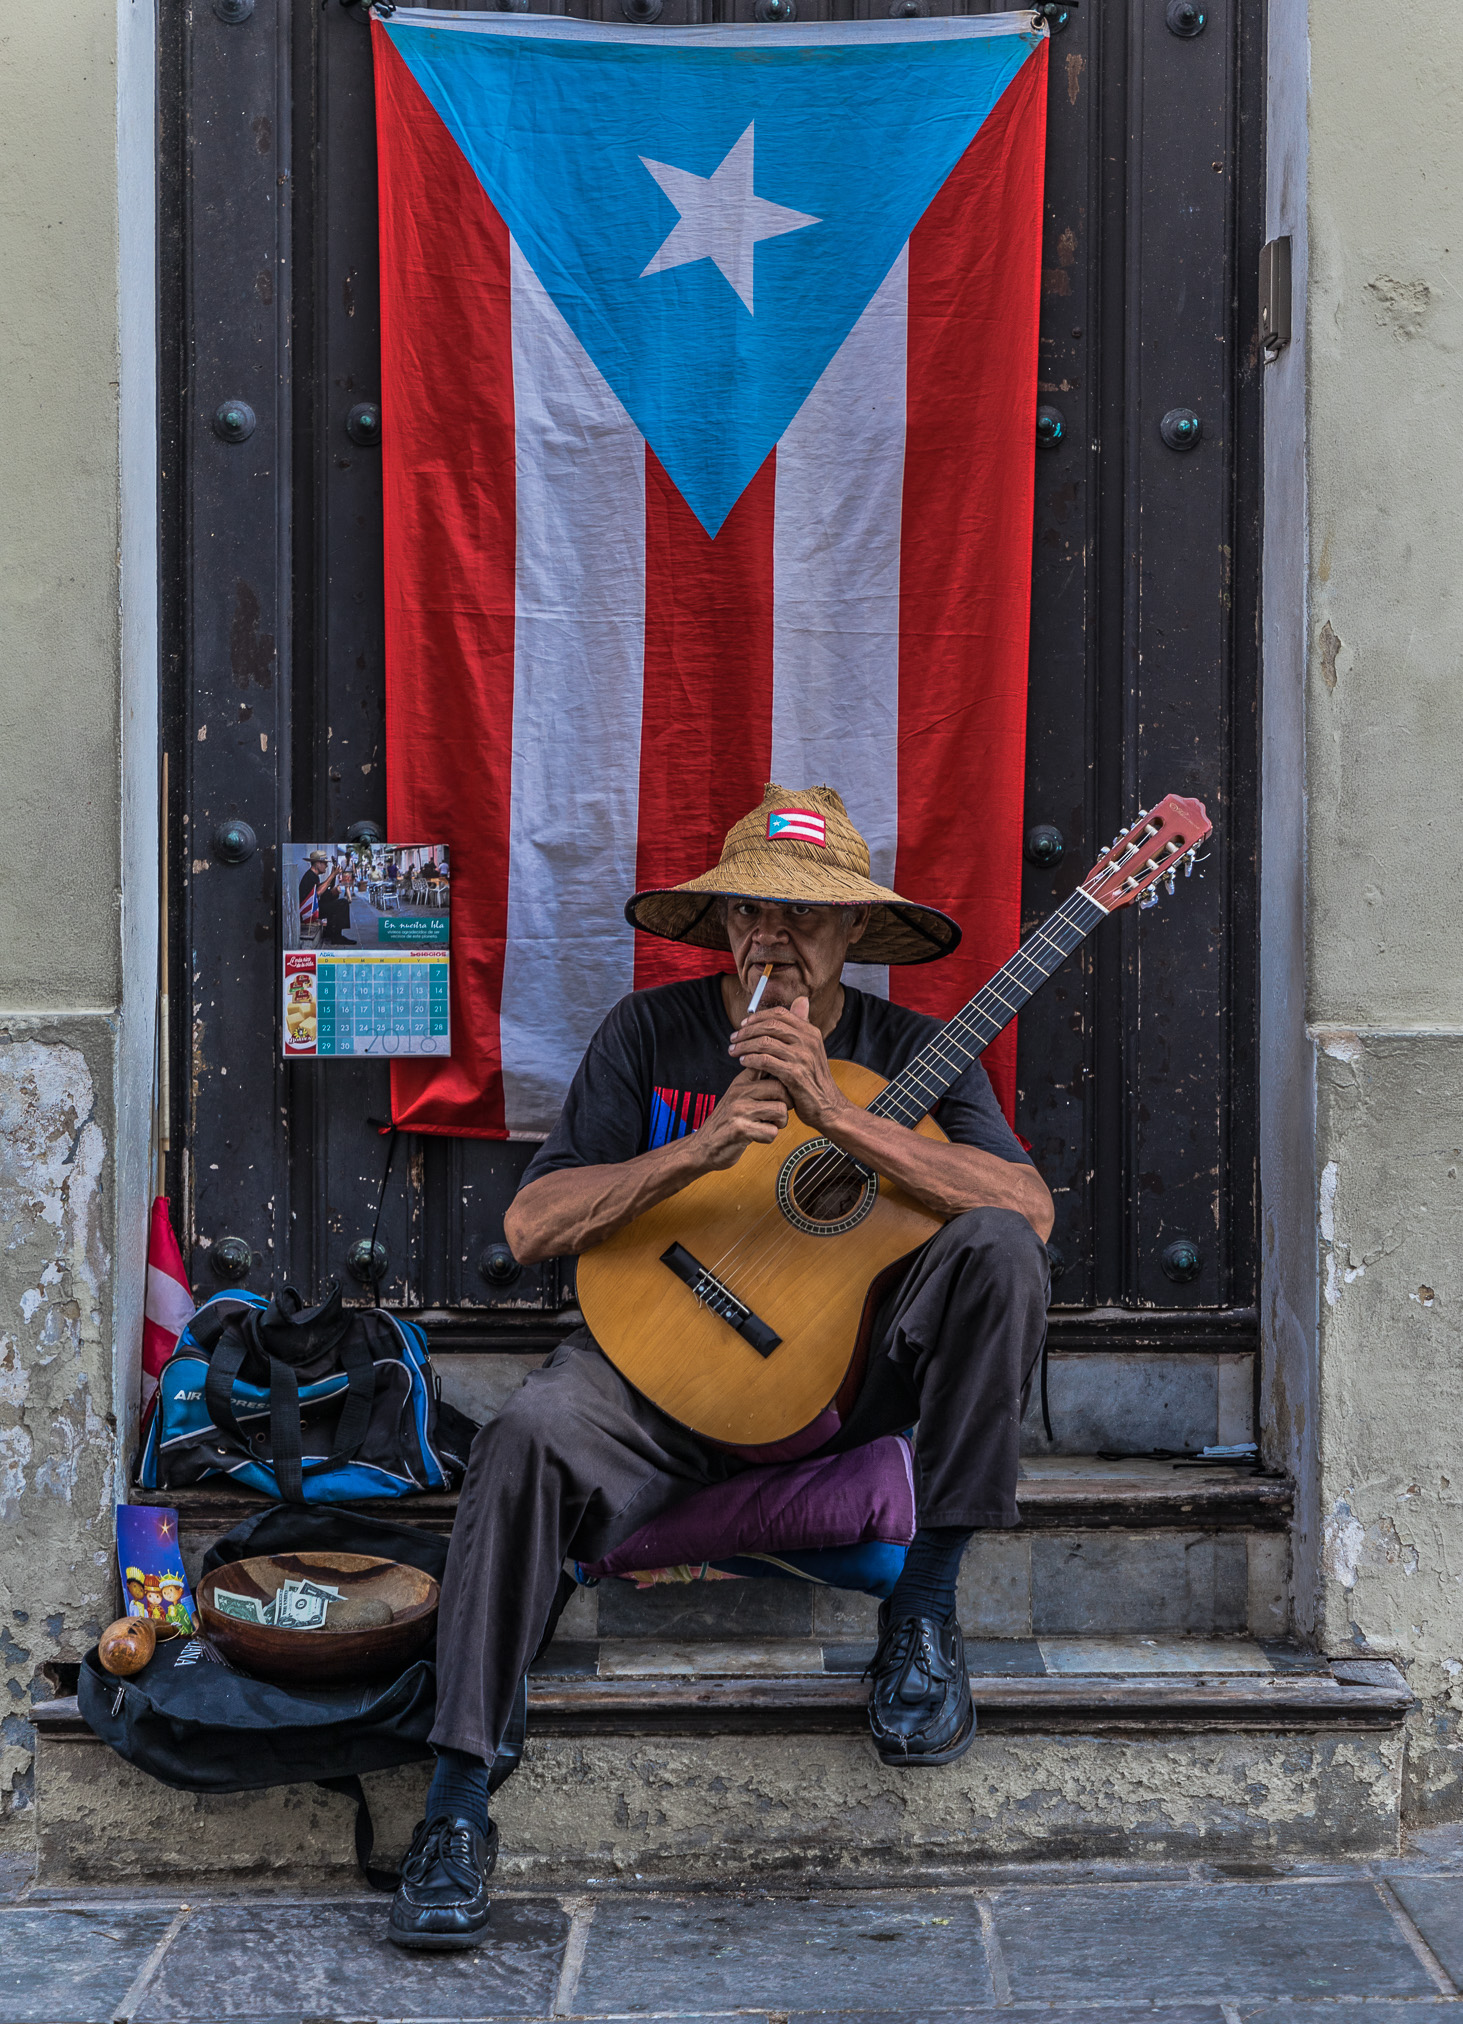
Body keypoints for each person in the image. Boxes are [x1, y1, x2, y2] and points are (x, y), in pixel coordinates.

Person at [387, 784, 1052, 1951]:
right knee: (527, 1433)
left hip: (846, 1380)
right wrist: (696, 1149)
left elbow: (1026, 1211)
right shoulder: (649, 1033)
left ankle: (925, 1609)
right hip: (655, 1369)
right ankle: (453, 1800)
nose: (769, 936)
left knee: (994, 1248)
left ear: (855, 934)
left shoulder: (911, 1051)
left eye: (802, 915)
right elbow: (534, 1225)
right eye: (748, 910)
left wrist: (831, 1116)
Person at [299, 850, 355, 946]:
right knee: (343, 903)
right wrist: (332, 875)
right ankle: (337, 937)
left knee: (332, 899)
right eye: (325, 863)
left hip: (314, 909)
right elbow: (318, 893)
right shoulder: (310, 876)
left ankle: (330, 933)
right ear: (318, 863)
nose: (326, 866)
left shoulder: (314, 876)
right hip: (309, 913)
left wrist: (332, 879)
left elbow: (322, 890)